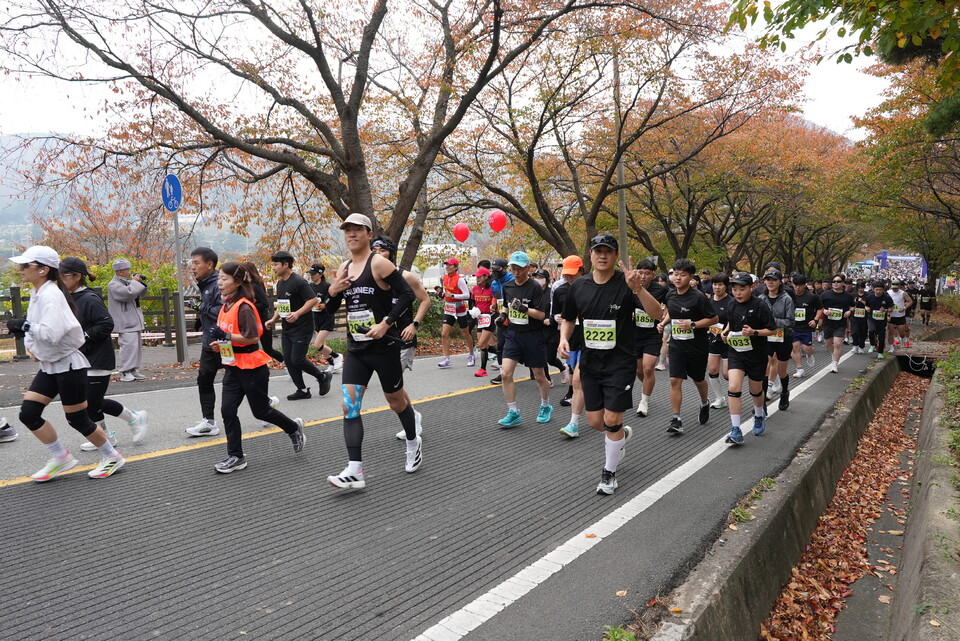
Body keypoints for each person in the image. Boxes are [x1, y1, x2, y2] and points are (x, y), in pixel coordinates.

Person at [7, 246, 125, 480]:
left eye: (25, 265)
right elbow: (38, 329)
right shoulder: (37, 292)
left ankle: (112, 457)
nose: (20, 269)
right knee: (29, 413)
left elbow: (53, 332)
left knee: (78, 418)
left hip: (70, 365)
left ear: (43, 270)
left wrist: (24, 327)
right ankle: (61, 457)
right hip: (51, 364)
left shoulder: (52, 294)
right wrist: (31, 343)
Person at [559, 234, 663, 494]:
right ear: (591, 256)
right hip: (591, 362)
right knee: (596, 422)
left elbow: (657, 314)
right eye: (598, 251)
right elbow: (569, 319)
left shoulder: (627, 283)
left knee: (612, 418)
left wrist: (638, 289)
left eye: (608, 251)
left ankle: (609, 474)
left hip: (620, 362)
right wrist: (563, 339)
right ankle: (620, 436)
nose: (602, 255)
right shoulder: (578, 286)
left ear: (616, 256)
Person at [323, 213, 418, 490]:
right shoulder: (343, 268)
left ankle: (413, 442)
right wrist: (332, 291)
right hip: (356, 350)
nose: (351, 234)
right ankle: (355, 470)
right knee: (349, 406)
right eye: (347, 231)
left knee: (396, 402)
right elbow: (329, 311)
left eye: (356, 230)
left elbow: (407, 295)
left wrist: (385, 323)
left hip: (384, 347)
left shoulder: (378, 262)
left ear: (368, 234)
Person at [207, 261, 306, 473]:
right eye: (218, 279)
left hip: (252, 367)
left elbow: (251, 337)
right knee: (227, 410)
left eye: (224, 279)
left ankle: (293, 427)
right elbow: (233, 337)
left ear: (237, 281)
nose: (219, 283)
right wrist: (221, 345)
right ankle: (236, 456)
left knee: (261, 411)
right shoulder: (226, 305)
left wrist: (224, 336)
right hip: (233, 366)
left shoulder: (244, 306)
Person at [60, 257, 148, 452]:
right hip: (82, 357)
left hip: (98, 357)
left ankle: (129, 422)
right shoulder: (69, 297)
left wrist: (82, 336)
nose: (59, 279)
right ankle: (115, 429)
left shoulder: (89, 299)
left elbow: (106, 323)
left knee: (91, 402)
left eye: (62, 275)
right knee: (93, 401)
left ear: (76, 277)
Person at [367, 236, 429, 442]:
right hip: (383, 338)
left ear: (390, 254)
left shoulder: (406, 276)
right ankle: (413, 415)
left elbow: (425, 300)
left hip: (403, 336)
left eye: (381, 250)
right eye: (373, 249)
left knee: (395, 384)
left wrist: (415, 325)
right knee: (396, 385)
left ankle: (413, 418)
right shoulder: (373, 278)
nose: (376, 253)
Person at [660, 258, 718, 434]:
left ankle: (704, 402)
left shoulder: (698, 297)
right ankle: (676, 419)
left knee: (698, 379)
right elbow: (670, 311)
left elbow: (713, 319)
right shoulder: (669, 294)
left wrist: (692, 325)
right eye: (675, 274)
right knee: (674, 380)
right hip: (677, 344)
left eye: (682, 275)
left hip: (697, 345)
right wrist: (663, 322)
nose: (678, 278)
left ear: (691, 277)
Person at [265, 250, 334, 400]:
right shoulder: (280, 283)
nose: (274, 267)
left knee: (297, 359)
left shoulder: (299, 281)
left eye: (276, 264)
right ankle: (302, 390)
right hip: (287, 328)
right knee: (288, 360)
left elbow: (313, 300)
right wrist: (274, 319)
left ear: (285, 264)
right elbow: (283, 305)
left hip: (302, 327)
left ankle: (322, 376)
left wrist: (297, 313)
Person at [496, 251, 553, 427]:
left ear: (528, 268)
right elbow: (506, 306)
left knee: (539, 375)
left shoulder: (535, 287)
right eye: (513, 269)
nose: (517, 272)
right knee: (505, 373)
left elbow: (541, 314)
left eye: (520, 269)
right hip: (513, 335)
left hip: (533, 335)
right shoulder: (508, 286)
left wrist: (524, 309)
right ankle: (513, 412)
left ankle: (545, 406)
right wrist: (502, 316)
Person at [722, 272, 777, 446]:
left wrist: (754, 332)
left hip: (756, 353)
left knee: (755, 390)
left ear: (750, 288)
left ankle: (759, 414)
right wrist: (726, 332)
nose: (737, 293)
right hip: (736, 351)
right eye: (735, 289)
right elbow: (731, 322)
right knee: (733, 387)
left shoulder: (760, 305)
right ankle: (736, 430)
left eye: (742, 289)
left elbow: (773, 330)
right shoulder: (731, 304)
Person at [185, 247, 225, 436]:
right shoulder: (206, 283)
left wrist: (201, 307)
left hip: (226, 342)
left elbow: (223, 311)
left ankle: (265, 406)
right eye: (191, 263)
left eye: (196, 263)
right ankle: (209, 422)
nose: (192, 267)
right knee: (204, 379)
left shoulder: (219, 284)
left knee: (242, 381)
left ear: (209, 265)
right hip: (210, 341)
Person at [554, 255, 585, 434]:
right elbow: (558, 315)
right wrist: (562, 338)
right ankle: (574, 422)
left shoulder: (593, 289)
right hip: (572, 339)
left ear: (582, 270)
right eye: (566, 274)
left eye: (572, 273)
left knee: (578, 379)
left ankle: (574, 423)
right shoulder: (560, 291)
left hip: (593, 341)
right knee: (575, 375)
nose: (569, 277)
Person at [632, 258, 668, 417]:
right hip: (634, 335)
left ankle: (644, 401)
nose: (643, 276)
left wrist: (664, 320)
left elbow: (671, 306)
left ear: (653, 274)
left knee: (648, 368)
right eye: (640, 273)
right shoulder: (630, 288)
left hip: (652, 335)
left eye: (647, 273)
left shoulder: (661, 290)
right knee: (639, 370)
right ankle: (646, 387)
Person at [759, 269, 795, 411]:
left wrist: (772, 322)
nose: (770, 282)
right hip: (766, 338)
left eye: (773, 280)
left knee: (781, 370)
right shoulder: (761, 298)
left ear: (780, 282)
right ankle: (761, 401)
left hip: (783, 337)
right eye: (768, 280)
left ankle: (785, 392)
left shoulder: (787, 299)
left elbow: (790, 321)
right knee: (764, 369)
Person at [107, 258, 147, 382]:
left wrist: (140, 283)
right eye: (126, 270)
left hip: (134, 320)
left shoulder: (127, 282)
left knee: (136, 346)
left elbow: (139, 294)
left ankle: (133, 369)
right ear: (119, 272)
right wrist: (135, 283)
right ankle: (125, 371)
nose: (129, 272)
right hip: (125, 321)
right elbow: (128, 294)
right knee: (128, 345)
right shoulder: (113, 284)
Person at [242, 261, 284, 363]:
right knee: (251, 349)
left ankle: (285, 361)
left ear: (249, 272)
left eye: (244, 272)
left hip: (262, 321)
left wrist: (249, 306)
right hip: (252, 322)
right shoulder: (246, 286)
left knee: (268, 350)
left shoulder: (256, 286)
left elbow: (265, 304)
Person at [438, 257, 476, 368]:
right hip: (449, 309)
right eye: (446, 265)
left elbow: (467, 295)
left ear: (455, 267)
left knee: (465, 333)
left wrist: (453, 296)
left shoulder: (459, 279)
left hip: (459, 309)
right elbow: (447, 291)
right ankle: (446, 358)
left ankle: (471, 354)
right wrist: (443, 295)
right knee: (444, 334)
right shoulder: (444, 278)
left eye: (450, 265)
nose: (447, 267)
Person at [307, 263, 344, 372]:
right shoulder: (310, 286)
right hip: (315, 317)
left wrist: (324, 305)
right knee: (322, 345)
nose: (311, 276)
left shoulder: (326, 286)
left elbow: (333, 299)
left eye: (313, 274)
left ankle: (337, 356)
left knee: (317, 344)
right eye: (310, 274)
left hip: (326, 317)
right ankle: (332, 364)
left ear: (320, 274)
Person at [817, 273, 855, 373]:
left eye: (838, 281)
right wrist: (824, 311)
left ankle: (834, 364)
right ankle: (833, 355)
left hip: (840, 324)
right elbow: (818, 306)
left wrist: (849, 311)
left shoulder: (847, 296)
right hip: (828, 323)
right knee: (828, 344)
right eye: (834, 282)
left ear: (842, 283)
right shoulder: (825, 294)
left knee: (838, 343)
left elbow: (853, 306)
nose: (836, 283)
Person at [706, 271, 733, 410]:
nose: (717, 287)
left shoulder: (731, 301)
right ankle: (719, 398)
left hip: (727, 341)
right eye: (715, 284)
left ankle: (733, 395)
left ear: (726, 286)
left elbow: (733, 319)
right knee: (712, 369)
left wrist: (726, 331)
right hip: (713, 339)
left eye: (720, 284)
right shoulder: (709, 300)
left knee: (727, 373)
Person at [488, 257, 514, 384]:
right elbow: (495, 297)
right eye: (493, 270)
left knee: (522, 346)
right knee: (500, 346)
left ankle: (535, 370)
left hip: (515, 319)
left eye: (497, 269)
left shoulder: (512, 280)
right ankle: (501, 373)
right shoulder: (494, 283)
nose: (495, 272)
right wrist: (493, 305)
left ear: (504, 269)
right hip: (501, 318)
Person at [469, 266, 498, 377]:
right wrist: (474, 311)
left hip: (490, 317)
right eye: (476, 277)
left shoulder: (492, 288)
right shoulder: (475, 288)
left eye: (479, 277)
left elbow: (495, 301)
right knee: (483, 345)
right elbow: (473, 302)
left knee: (481, 344)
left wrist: (493, 306)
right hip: (480, 318)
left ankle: (483, 369)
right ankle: (502, 354)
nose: (477, 278)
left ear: (486, 276)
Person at [790, 274, 820, 378]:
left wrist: (815, 320)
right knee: (795, 347)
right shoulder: (789, 296)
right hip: (794, 326)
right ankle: (799, 369)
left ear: (804, 285)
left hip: (807, 326)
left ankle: (809, 354)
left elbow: (820, 309)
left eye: (800, 285)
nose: (797, 288)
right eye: (795, 285)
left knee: (807, 348)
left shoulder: (812, 297)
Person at [865, 281, 894, 359]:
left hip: (882, 320)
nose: (878, 291)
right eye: (877, 289)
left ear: (883, 290)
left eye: (880, 290)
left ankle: (880, 352)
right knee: (871, 330)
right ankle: (872, 344)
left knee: (881, 337)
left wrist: (885, 310)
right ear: (873, 289)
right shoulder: (869, 297)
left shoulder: (887, 297)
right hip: (871, 318)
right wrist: (867, 308)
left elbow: (891, 309)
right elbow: (866, 306)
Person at [886, 278, 913, 350]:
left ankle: (903, 339)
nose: (894, 289)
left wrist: (904, 308)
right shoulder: (888, 293)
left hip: (900, 315)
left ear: (899, 286)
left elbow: (910, 302)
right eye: (893, 288)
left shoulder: (903, 293)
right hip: (891, 315)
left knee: (901, 333)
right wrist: (887, 312)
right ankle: (891, 347)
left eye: (896, 288)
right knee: (890, 332)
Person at [850, 281, 869, 354]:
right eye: (859, 288)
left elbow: (869, 304)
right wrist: (854, 303)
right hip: (855, 316)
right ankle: (855, 345)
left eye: (862, 288)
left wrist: (863, 301)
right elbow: (850, 304)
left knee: (863, 331)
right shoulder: (853, 295)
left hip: (864, 316)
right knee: (855, 331)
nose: (861, 289)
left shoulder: (867, 295)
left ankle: (861, 346)